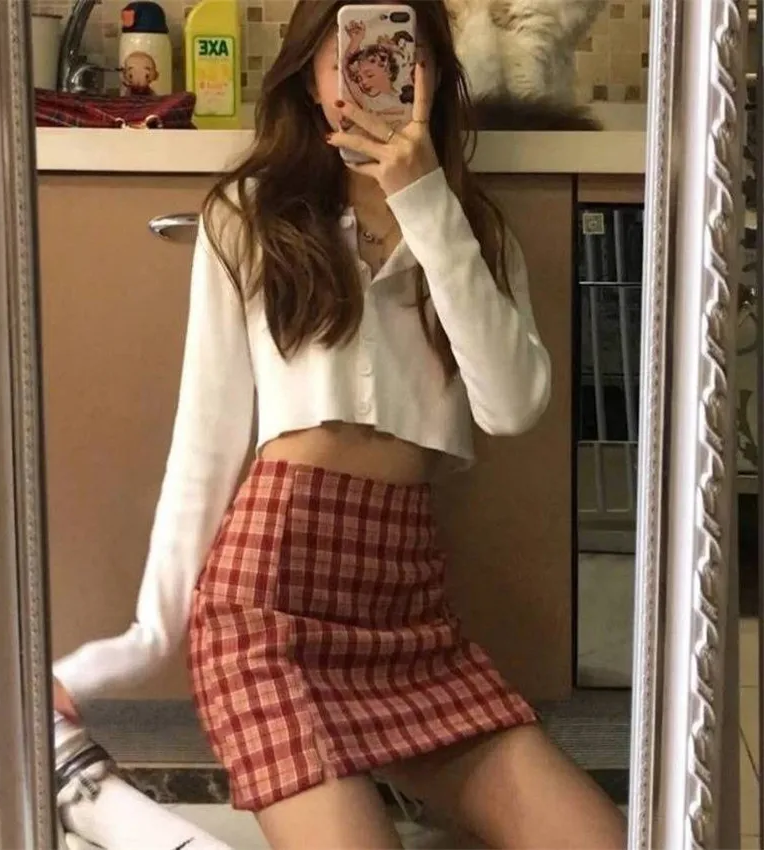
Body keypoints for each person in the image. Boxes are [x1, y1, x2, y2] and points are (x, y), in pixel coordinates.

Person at [54, 1, 627, 847]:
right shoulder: (248, 216)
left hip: (409, 612)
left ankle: (105, 808)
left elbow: (512, 407)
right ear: (310, 79)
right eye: (346, 54)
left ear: (432, 73)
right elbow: (203, 449)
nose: (370, 74)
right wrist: (142, 643)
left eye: (398, 52)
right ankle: (96, 801)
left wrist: (423, 200)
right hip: (265, 612)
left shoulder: (472, 230)